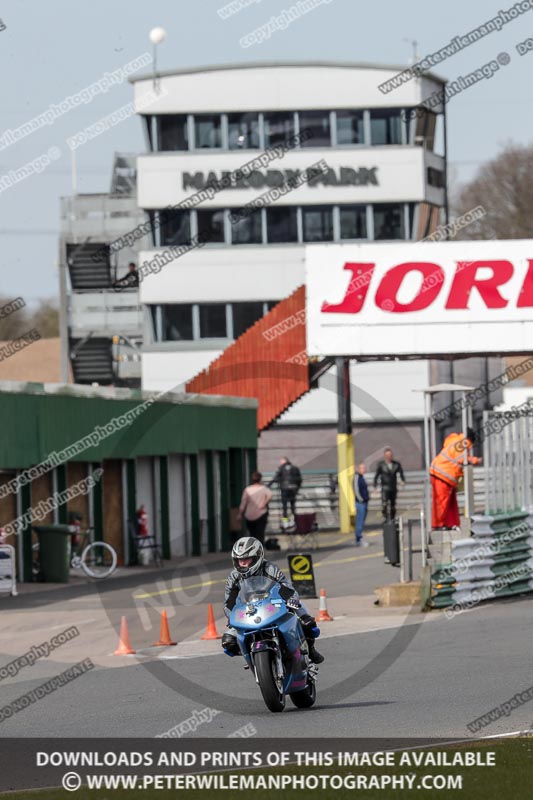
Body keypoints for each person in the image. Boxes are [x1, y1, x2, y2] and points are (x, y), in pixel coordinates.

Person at [221, 536, 324, 664]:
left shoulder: (270, 569)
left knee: (307, 622)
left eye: (246, 559)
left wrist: (291, 601)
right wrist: (232, 617)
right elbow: (229, 602)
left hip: (272, 605)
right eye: (239, 560)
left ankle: (311, 649)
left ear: (257, 557)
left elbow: (286, 588)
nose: (242, 563)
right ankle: (252, 657)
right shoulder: (233, 576)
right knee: (228, 642)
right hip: (248, 612)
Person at [430, 428, 482, 530]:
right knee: (442, 502)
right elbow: (462, 459)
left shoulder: (455, 440)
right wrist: (476, 460)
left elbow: (454, 460)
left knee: (448, 502)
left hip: (440, 472)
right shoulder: (463, 443)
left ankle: (449, 523)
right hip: (444, 474)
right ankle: (438, 525)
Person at [237, 471, 272, 545]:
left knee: (252, 533)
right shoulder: (264, 489)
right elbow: (269, 495)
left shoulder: (247, 489)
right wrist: (263, 504)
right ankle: (260, 547)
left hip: (249, 515)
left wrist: (240, 514)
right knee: (260, 533)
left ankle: (253, 547)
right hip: (261, 513)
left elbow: (243, 502)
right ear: (260, 479)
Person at [373, 447, 405, 522]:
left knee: (393, 504)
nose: (388, 456)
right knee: (384, 503)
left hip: (393, 487)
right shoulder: (381, 465)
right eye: (387, 455)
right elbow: (376, 476)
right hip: (385, 487)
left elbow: (401, 473)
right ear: (384, 456)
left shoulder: (396, 464)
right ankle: (385, 517)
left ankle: (392, 518)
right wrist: (375, 486)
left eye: (390, 455)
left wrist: (402, 480)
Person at [268, 456, 302, 523]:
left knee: (285, 507)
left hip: (284, 489)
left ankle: (285, 521)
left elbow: (275, 478)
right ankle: (295, 521)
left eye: (281, 461)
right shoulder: (295, 468)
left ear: (284, 461)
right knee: (293, 506)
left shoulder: (281, 468)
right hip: (293, 489)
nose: (280, 463)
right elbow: (299, 479)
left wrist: (268, 485)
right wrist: (297, 489)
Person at [354, 463, 369, 547]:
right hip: (360, 503)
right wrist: (361, 500)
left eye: (364, 468)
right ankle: (359, 539)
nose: (364, 469)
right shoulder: (357, 478)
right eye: (362, 468)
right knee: (359, 521)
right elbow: (356, 490)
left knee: (361, 521)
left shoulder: (362, 477)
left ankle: (358, 538)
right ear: (358, 469)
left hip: (364, 502)